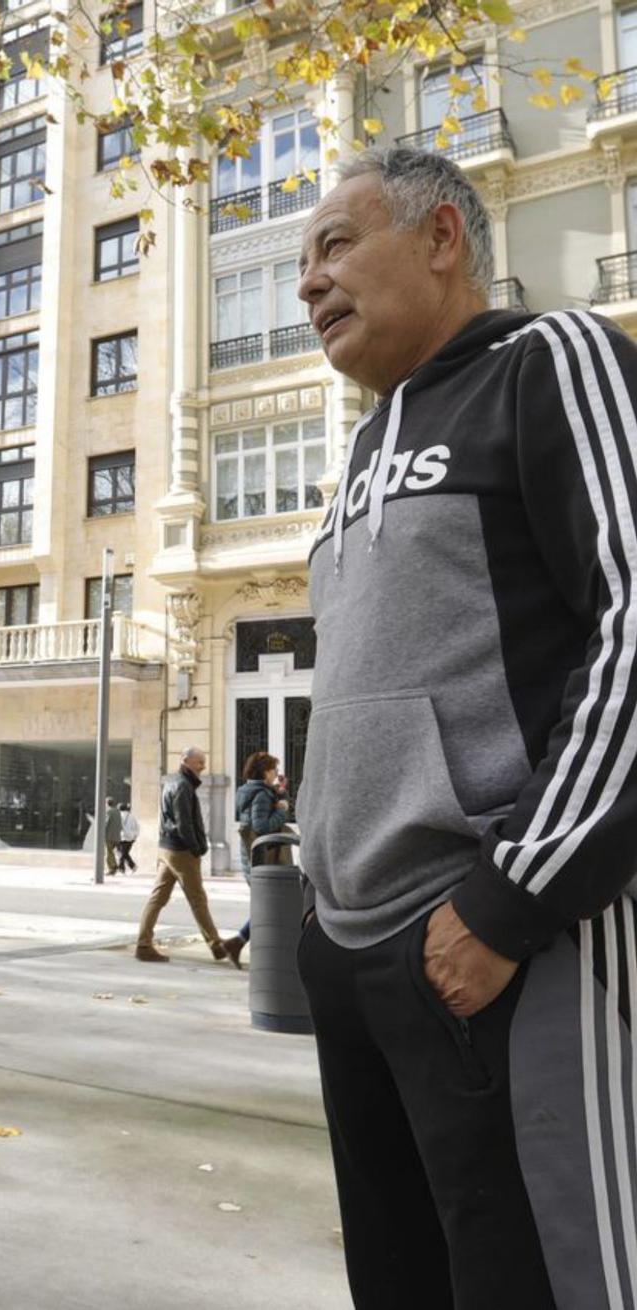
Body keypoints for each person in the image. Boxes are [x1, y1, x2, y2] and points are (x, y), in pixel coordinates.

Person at [294, 144, 637, 1309]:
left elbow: (635, 620)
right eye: (302, 260)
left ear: (443, 238)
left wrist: (511, 895)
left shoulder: (556, 360)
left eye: (337, 243)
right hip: (357, 958)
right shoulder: (358, 451)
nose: (308, 281)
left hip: (502, 949)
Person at [135, 747, 243, 965]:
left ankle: (143, 945)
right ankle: (217, 946)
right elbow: (184, 823)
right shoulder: (183, 786)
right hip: (180, 850)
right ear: (185, 761)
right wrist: (198, 848)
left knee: (158, 897)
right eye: (199, 762)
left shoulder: (173, 783)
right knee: (198, 899)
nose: (203, 766)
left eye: (203, 762)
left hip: (167, 848)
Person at [227, 751, 291, 965]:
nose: (276, 772)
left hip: (253, 857)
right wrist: (282, 811)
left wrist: (279, 793)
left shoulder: (248, 790)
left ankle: (240, 942)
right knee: (273, 907)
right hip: (265, 859)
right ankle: (260, 951)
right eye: (274, 769)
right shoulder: (262, 794)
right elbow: (261, 826)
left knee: (269, 906)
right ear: (265, 771)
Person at [117, 802, 139, 872]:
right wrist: (135, 836)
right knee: (124, 853)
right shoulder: (132, 816)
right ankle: (130, 866)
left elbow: (118, 827)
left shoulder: (119, 816)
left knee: (122, 853)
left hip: (122, 837)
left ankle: (122, 868)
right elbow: (137, 827)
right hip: (131, 837)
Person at [104, 795, 123, 874]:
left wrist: (102, 833)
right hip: (117, 836)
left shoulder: (108, 811)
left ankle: (111, 868)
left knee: (108, 853)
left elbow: (106, 824)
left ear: (107, 803)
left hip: (109, 836)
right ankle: (114, 865)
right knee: (112, 852)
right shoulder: (118, 812)